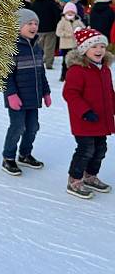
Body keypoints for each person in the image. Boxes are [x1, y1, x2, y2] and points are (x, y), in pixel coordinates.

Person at [63, 28, 114, 198]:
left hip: (101, 119)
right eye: (94, 47)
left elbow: (109, 92)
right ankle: (74, 180)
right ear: (84, 49)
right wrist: (85, 111)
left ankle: (90, 176)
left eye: (102, 46)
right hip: (84, 120)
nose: (99, 50)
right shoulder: (77, 70)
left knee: (101, 149)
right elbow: (70, 93)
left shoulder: (105, 69)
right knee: (86, 150)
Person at [2, 9, 51, 175]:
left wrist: (46, 92)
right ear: (19, 26)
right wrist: (11, 94)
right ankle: (8, 157)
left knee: (32, 127)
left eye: (36, 23)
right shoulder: (12, 48)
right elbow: (6, 75)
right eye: (29, 23)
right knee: (18, 126)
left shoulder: (37, 47)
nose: (33, 26)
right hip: (17, 97)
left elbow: (41, 73)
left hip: (33, 96)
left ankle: (25, 154)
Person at [32, 0, 60, 69]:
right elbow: (57, 15)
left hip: (38, 29)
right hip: (50, 29)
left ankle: (38, 63)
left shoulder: (34, 3)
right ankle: (48, 64)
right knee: (49, 48)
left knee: (38, 47)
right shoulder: (51, 2)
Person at [56, 2, 84, 82]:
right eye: (68, 12)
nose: (70, 14)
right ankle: (63, 75)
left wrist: (80, 31)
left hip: (75, 45)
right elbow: (58, 32)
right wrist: (68, 34)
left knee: (75, 61)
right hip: (65, 45)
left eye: (72, 12)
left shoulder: (78, 21)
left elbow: (83, 28)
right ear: (65, 13)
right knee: (65, 62)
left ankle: (74, 76)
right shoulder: (62, 22)